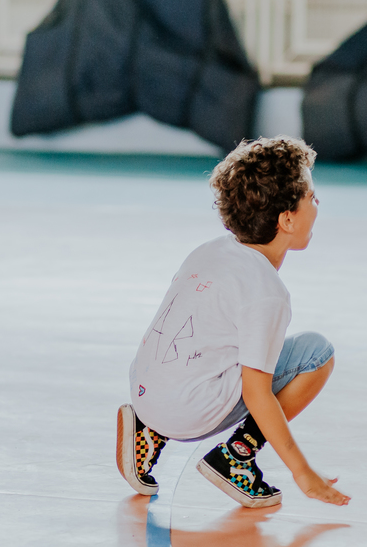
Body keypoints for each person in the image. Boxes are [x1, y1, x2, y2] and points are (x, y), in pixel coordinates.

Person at [116, 136, 350, 508]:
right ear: (287, 219)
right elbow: (257, 394)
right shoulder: (266, 292)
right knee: (316, 354)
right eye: (311, 197)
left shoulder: (209, 250)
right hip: (190, 412)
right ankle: (236, 458)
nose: (317, 204)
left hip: (145, 393)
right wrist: (302, 471)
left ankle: (149, 432)